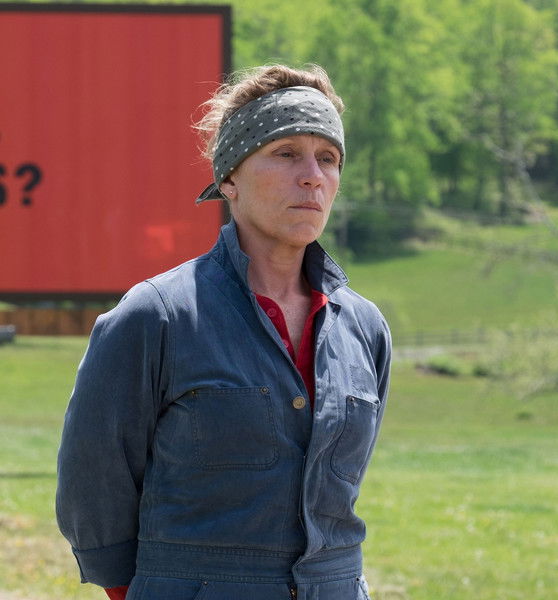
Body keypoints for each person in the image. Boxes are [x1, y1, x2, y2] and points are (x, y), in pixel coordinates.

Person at [56, 64, 391, 600]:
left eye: (327, 158)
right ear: (229, 178)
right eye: (286, 153)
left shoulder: (365, 328)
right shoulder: (156, 316)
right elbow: (93, 477)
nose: (312, 176)